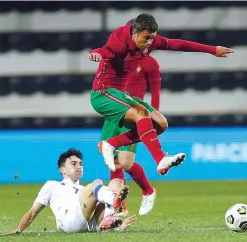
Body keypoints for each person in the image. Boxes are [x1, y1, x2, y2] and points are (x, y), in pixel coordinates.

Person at [89, 13, 233, 177]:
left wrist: (212, 50)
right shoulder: (120, 39)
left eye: (152, 38)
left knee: (160, 123)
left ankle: (111, 144)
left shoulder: (150, 42)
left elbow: (178, 44)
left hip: (122, 95)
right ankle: (160, 159)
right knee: (141, 114)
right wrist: (97, 53)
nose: (149, 43)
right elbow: (107, 50)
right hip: (103, 93)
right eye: (146, 38)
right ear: (135, 34)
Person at [101, 19, 162, 216]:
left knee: (125, 161)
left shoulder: (149, 63)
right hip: (116, 110)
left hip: (135, 114)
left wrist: (151, 118)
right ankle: (120, 208)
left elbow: (156, 93)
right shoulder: (118, 57)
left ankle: (148, 190)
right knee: (112, 158)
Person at [5, 148, 136, 235]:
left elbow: (97, 211)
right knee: (97, 183)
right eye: (73, 164)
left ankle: (111, 220)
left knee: (117, 182)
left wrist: (120, 229)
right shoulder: (52, 185)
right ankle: (114, 202)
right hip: (69, 222)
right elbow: (33, 211)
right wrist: (19, 229)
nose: (79, 166)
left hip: (90, 224)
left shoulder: (84, 190)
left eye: (81, 164)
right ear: (62, 170)